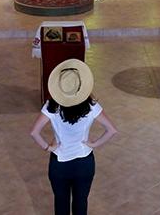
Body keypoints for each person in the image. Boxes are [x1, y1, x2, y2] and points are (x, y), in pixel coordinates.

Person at [30, 59, 118, 215]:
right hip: (84, 162)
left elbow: (34, 132)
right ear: (81, 86)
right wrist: (94, 144)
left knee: (61, 204)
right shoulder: (91, 105)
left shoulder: (52, 106)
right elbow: (111, 130)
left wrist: (48, 147)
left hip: (59, 164)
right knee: (81, 203)